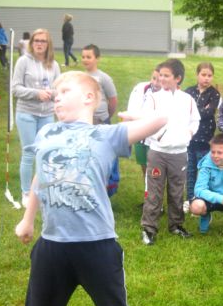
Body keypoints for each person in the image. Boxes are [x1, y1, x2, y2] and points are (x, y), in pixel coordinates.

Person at [15, 71, 164, 306]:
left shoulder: (106, 134)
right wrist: (28, 219)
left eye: (64, 92)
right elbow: (40, 175)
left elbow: (160, 120)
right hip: (52, 246)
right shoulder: (46, 131)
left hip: (96, 246)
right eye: (56, 94)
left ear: (88, 98)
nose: (56, 98)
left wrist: (136, 117)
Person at [121, 59, 200, 245]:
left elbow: (195, 120)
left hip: (179, 153)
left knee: (177, 191)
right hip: (157, 152)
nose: (162, 79)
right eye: (160, 75)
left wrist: (189, 133)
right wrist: (154, 133)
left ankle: (176, 225)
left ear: (178, 78)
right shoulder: (154, 98)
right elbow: (145, 119)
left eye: (166, 76)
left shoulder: (187, 99)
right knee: (154, 191)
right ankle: (149, 229)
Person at [12, 29, 61, 208]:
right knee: (29, 152)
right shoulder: (23, 61)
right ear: (32, 43)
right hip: (26, 113)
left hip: (47, 114)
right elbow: (15, 89)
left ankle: (43, 191)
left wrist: (50, 93)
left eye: (43, 41)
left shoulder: (53, 64)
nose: (39, 44)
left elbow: (59, 89)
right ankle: (26, 192)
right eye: (36, 40)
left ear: (48, 44)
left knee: (46, 153)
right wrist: (36, 93)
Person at [81, 44, 120, 196]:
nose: (85, 60)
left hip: (101, 122)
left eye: (89, 57)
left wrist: (106, 117)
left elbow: (113, 100)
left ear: (97, 58)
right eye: (83, 57)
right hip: (85, 123)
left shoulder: (104, 78)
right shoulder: (81, 78)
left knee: (103, 155)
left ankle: (107, 187)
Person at [184, 62, 221, 205]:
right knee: (190, 171)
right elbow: (184, 111)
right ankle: (190, 199)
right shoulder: (188, 92)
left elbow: (208, 113)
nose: (206, 78)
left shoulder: (214, 94)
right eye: (203, 75)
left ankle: (202, 199)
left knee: (204, 171)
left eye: (209, 75)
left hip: (205, 140)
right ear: (197, 75)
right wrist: (200, 109)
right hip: (189, 138)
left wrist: (194, 110)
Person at [126, 66, 162, 202]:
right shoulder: (141, 88)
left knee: (155, 169)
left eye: (159, 80)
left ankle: (156, 202)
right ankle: (149, 197)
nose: (156, 83)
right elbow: (132, 109)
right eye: (154, 78)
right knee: (144, 166)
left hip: (157, 137)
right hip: (140, 133)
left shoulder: (167, 93)